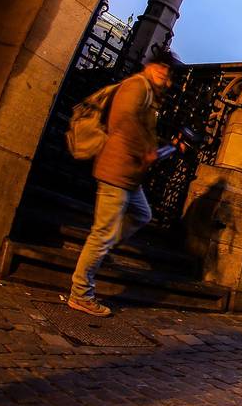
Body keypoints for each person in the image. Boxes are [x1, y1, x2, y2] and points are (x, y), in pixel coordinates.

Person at [69, 49, 181, 316]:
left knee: (142, 215)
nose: (165, 75)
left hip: (130, 175)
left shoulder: (149, 94)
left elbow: (140, 127)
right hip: (117, 171)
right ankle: (80, 293)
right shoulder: (136, 86)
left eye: (168, 72)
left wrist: (162, 146)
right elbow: (124, 120)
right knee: (102, 233)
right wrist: (146, 150)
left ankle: (103, 251)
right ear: (151, 66)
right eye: (162, 68)